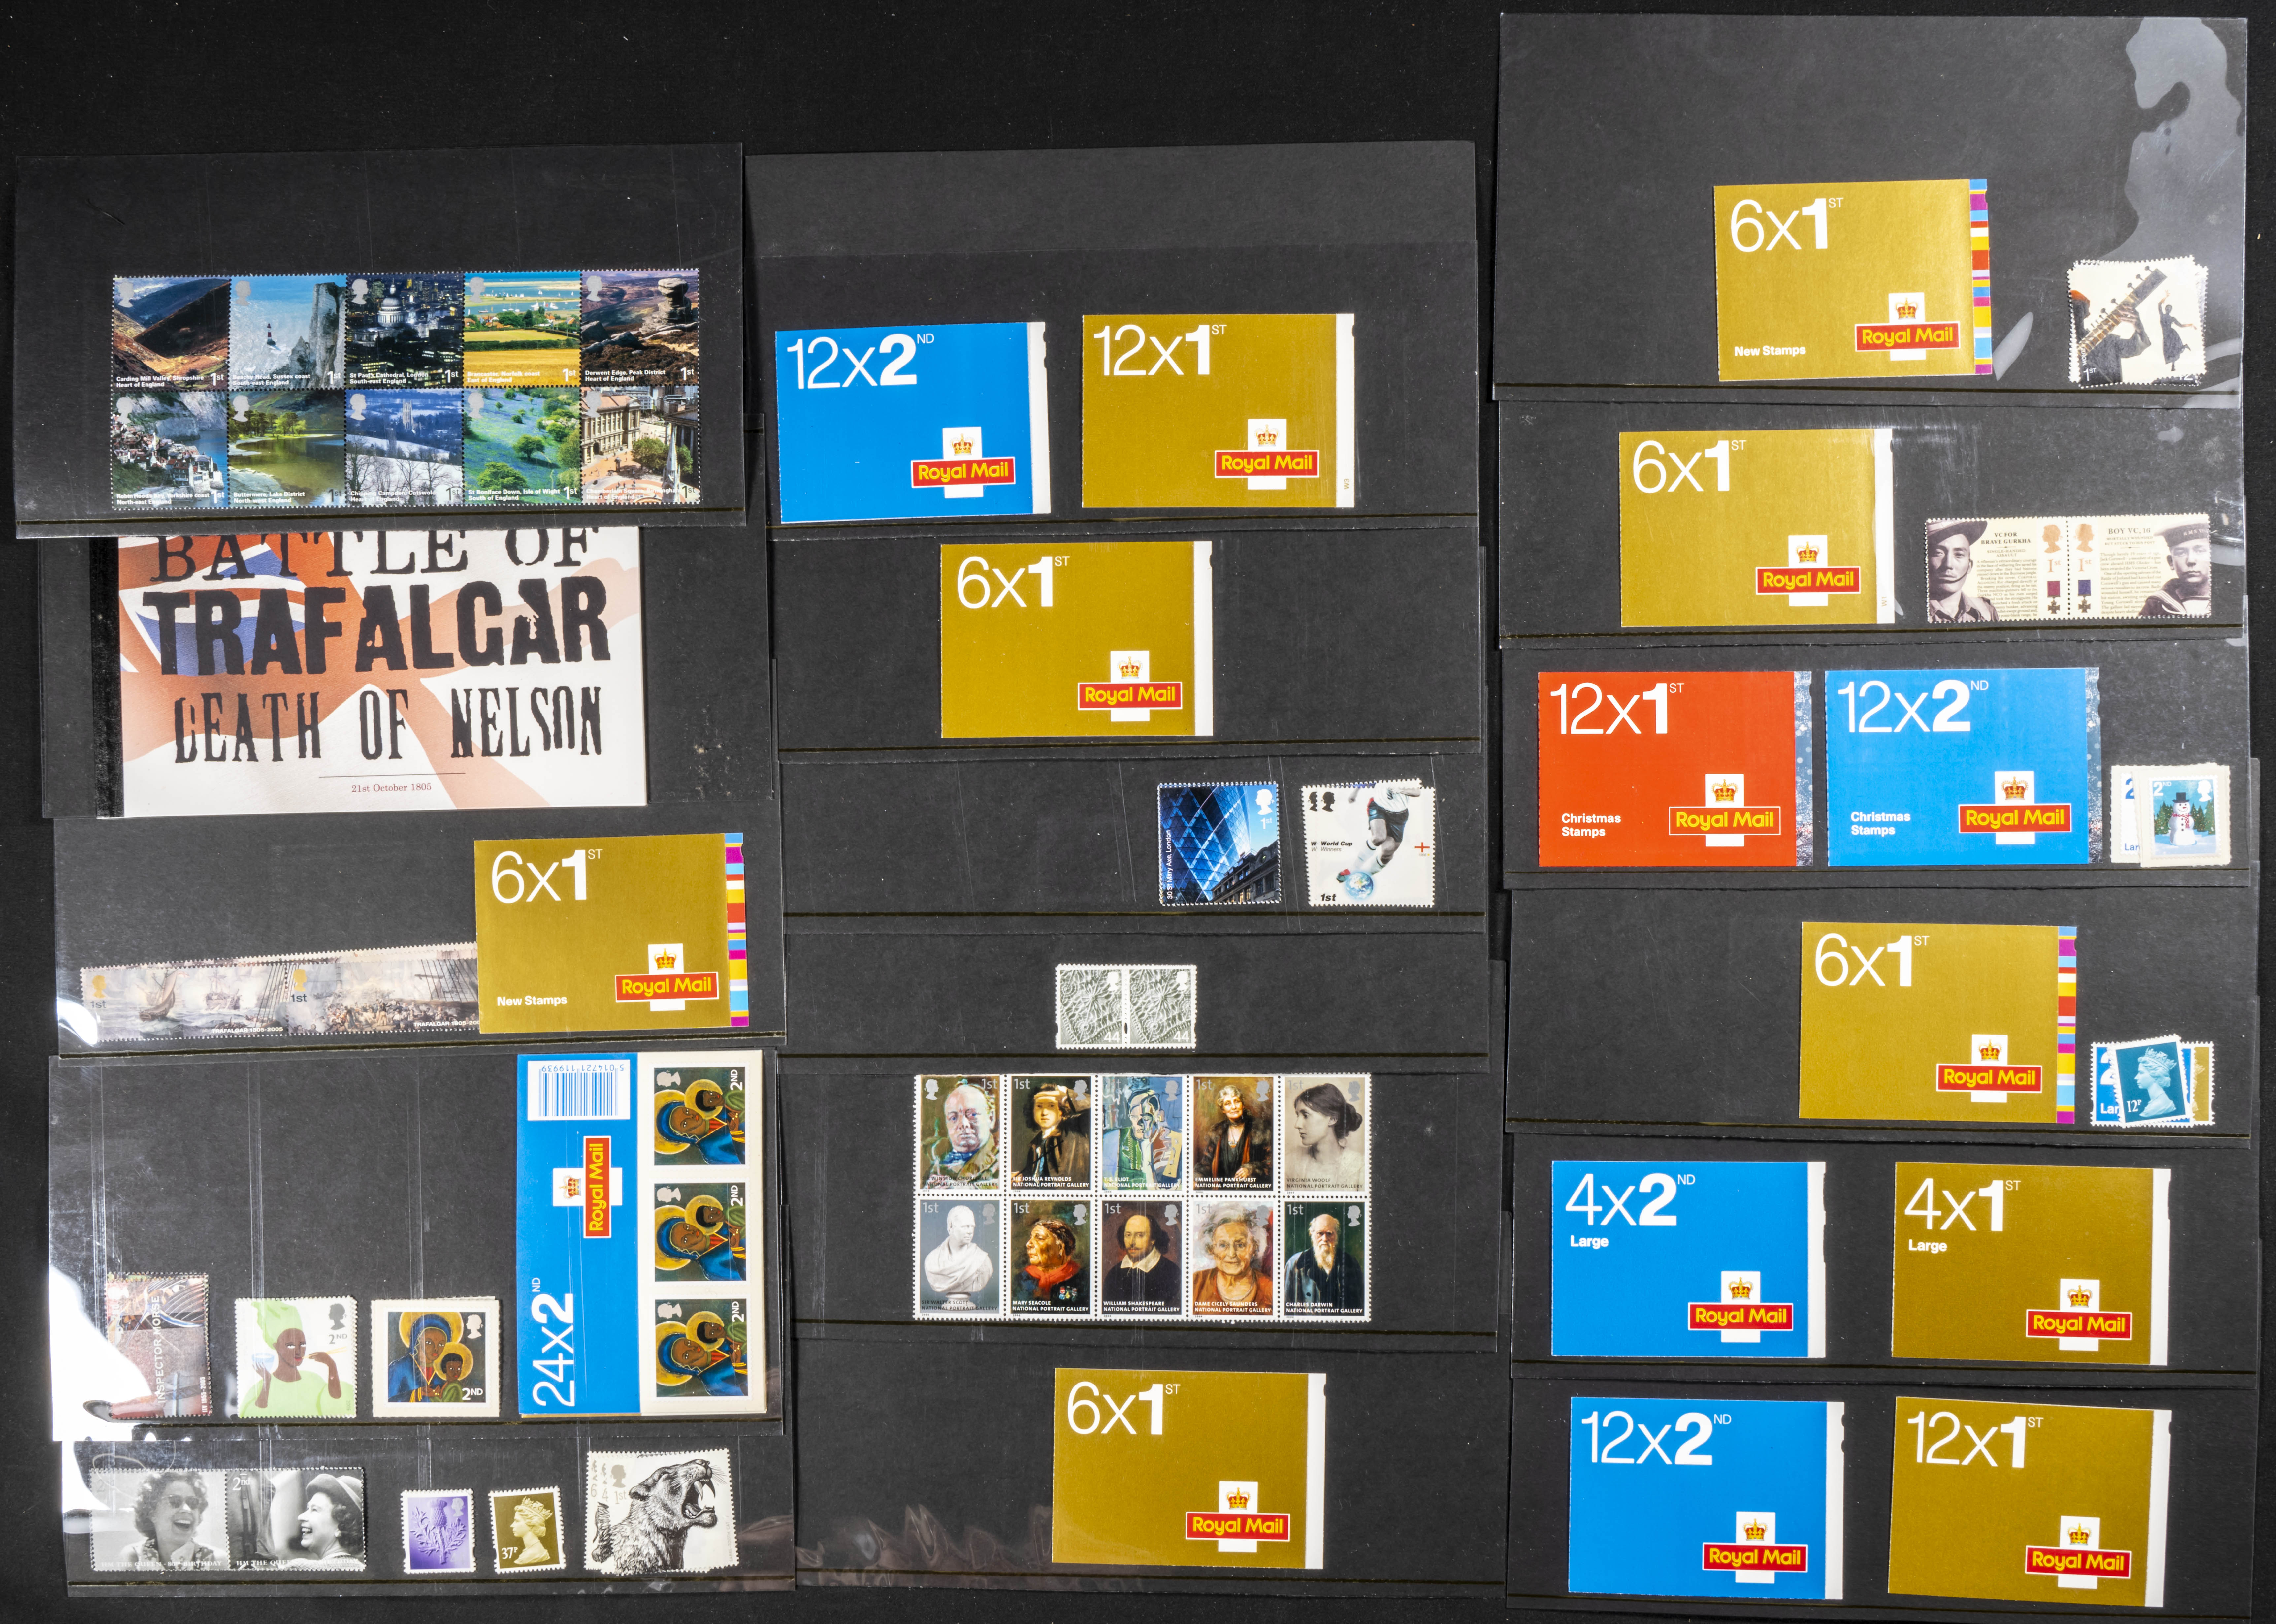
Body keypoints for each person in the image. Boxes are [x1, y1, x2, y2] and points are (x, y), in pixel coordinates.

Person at [249, 1301, 352, 1417]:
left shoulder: (314, 1380)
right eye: (291, 1346)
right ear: (276, 1346)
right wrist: (267, 1382)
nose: (299, 1351)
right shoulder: (263, 1384)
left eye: (303, 1344)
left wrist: (331, 1364)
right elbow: (257, 1414)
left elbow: (336, 1397)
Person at [118, 1471, 225, 1570]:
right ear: (152, 1513)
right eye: (175, 1501)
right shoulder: (135, 1557)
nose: (187, 1509)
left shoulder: (215, 1560)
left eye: (193, 1503)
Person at [1191, 1205, 1270, 1313]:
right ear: (1211, 1249)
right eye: (1223, 1245)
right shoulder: (1196, 1283)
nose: (1232, 1254)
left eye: (1240, 1245)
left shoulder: (1270, 1290)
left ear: (1254, 1248)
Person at [1285, 1081, 1365, 1188]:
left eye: (1306, 1116)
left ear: (1332, 1119)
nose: (1297, 1125)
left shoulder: (1360, 1167)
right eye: (1298, 1116)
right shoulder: (1291, 1161)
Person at [1338, 785, 1413, 896]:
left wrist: (1400, 790)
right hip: (1379, 806)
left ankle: (1366, 875)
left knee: (1388, 853)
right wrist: (1355, 792)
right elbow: (1368, 778)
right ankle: (1354, 868)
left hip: (1400, 814)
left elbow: (1417, 791)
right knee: (1378, 838)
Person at [1286, 1211, 1364, 1312]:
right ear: (1312, 1234)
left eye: (1329, 1234)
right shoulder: (1295, 1264)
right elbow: (1286, 1306)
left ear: (1337, 1235)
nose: (1325, 1239)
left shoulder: (1351, 1263)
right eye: (1320, 1234)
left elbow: (1361, 1305)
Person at [1925, 519, 1999, 623]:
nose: (1949, 565)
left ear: (1970, 566)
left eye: (1959, 555)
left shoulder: (1986, 611)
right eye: (1938, 553)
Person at [924, 1080, 997, 1185]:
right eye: (953, 1118)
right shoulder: (934, 1157)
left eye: (973, 1115)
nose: (963, 1124)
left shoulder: (1003, 1159)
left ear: (991, 1118)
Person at [923, 1203, 994, 1310]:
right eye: (965, 1227)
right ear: (950, 1228)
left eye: (972, 1227)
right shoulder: (932, 1261)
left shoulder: (982, 1261)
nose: (970, 1232)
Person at [1101, 1210, 1179, 1308]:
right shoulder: (1114, 1274)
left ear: (1153, 1239)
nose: (1132, 1242)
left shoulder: (1172, 1273)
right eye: (1128, 1235)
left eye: (1140, 1235)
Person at [285, 1474, 364, 1567]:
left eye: (315, 1510)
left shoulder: (299, 1568)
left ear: (343, 1525)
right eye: (308, 1509)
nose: (301, 1517)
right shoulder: (363, 1570)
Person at [1017, 1084, 1089, 1184]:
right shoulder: (1036, 1145)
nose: (1044, 1112)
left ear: (1061, 1110)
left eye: (1051, 1106)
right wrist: (1022, 1178)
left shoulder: (1074, 1129)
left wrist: (1068, 1093)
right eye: (1039, 1106)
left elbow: (1097, 1105)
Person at [1199, 1082, 1268, 1185]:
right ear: (1223, 1110)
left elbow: (1272, 1162)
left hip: (1250, 1190)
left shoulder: (1260, 1129)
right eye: (1228, 1104)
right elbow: (1206, 1164)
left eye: (1237, 1102)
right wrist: (1197, 1177)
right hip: (1223, 1189)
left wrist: (1251, 1170)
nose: (1234, 1107)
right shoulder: (1217, 1132)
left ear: (1243, 1105)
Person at [1115, 1082, 1182, 1188]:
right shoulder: (1118, 1140)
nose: (1140, 1124)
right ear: (1130, 1117)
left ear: (1158, 1117)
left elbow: (1171, 1187)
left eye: (1146, 1118)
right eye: (1135, 1117)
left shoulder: (1173, 1141)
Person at [2141, 518, 2212, 616]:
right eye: (2181, 553)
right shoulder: (2156, 605)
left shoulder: (2227, 598)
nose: (2191, 561)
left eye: (2200, 551)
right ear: (2171, 562)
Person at [1012, 1216, 1087, 1308]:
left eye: (1040, 1238)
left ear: (1060, 1248)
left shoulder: (1083, 1280)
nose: (1029, 1244)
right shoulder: (1021, 1279)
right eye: (1031, 1238)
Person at [388, 1312, 452, 1404]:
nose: (436, 1349)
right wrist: (418, 1394)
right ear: (417, 1341)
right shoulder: (399, 1368)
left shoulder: (445, 1371)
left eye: (441, 1344)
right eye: (429, 1343)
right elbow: (387, 1401)